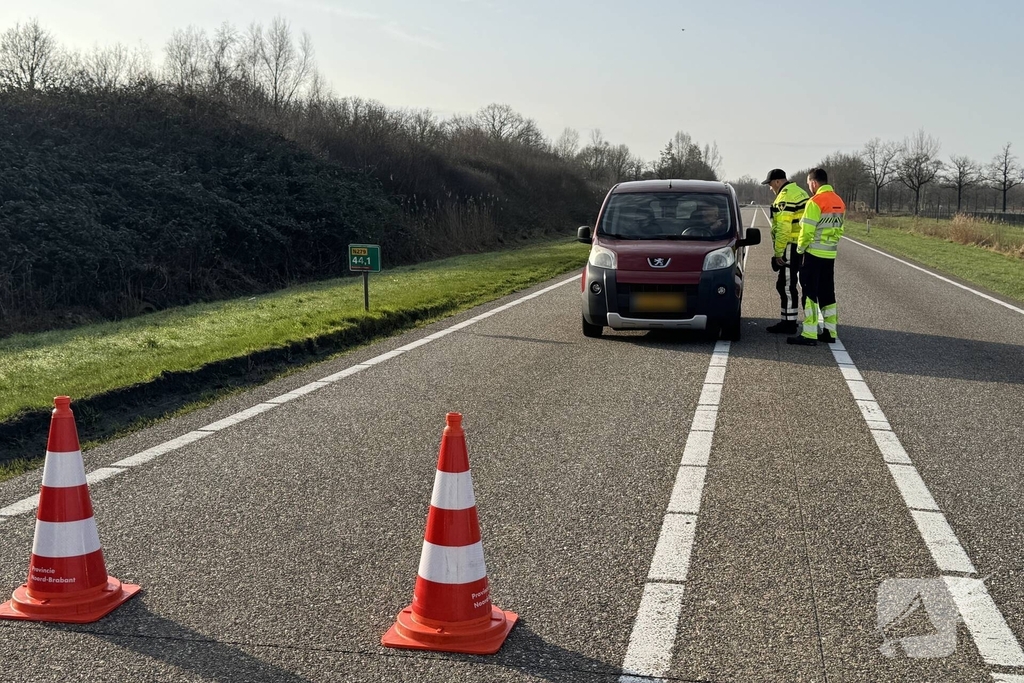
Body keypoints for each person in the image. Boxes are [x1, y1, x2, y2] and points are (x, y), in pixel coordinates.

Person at [788, 168, 846, 346]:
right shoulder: (839, 201)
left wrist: (800, 249)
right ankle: (830, 331)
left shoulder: (815, 201)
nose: (809, 187)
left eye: (808, 184)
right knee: (828, 293)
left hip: (813, 254)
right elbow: (840, 229)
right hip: (830, 254)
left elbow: (806, 231)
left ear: (813, 183)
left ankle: (809, 333)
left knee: (809, 294)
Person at [761, 169, 809, 334]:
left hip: (790, 245)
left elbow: (783, 228)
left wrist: (779, 253)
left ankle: (789, 323)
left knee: (786, 285)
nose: (770, 188)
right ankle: (790, 320)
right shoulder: (800, 191)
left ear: (776, 182)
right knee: (790, 284)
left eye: (770, 184)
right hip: (801, 244)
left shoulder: (784, 197)